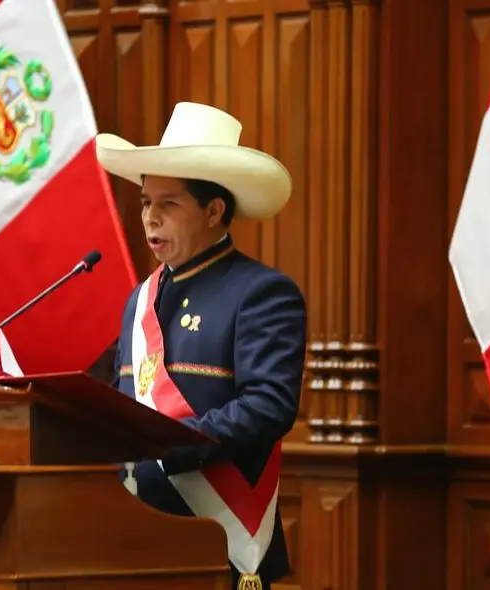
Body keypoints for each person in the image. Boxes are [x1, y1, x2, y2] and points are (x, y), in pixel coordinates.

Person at [96, 102, 306, 590]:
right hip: (127, 536)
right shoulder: (139, 300)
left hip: (215, 539)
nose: (150, 218)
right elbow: (120, 404)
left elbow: (268, 406)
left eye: (169, 204)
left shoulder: (261, 292)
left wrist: (171, 445)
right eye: (145, 202)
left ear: (214, 211)